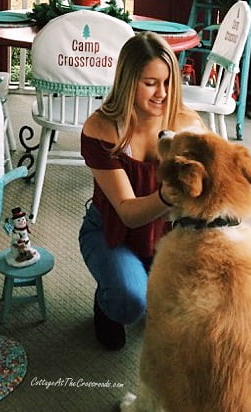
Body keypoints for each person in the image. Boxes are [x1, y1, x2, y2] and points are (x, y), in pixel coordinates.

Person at [79, 32, 204, 350]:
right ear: (127, 81)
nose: (162, 93)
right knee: (131, 302)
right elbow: (128, 212)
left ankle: (143, 279)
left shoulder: (190, 125)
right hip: (113, 231)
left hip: (169, 235)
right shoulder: (101, 128)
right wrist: (169, 195)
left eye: (167, 82)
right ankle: (107, 304)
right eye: (150, 83)